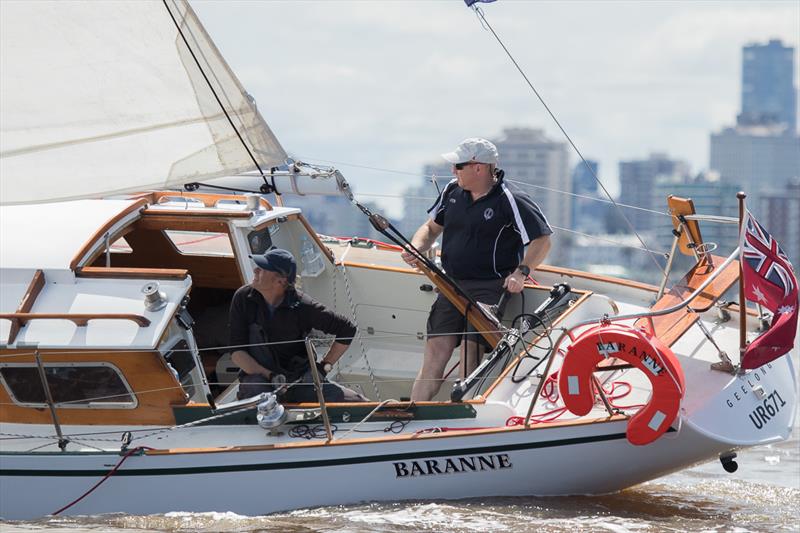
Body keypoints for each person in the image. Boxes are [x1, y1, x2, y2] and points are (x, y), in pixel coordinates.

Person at [402, 138, 552, 401]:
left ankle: (459, 417)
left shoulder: (510, 199)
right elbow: (430, 228)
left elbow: (542, 240)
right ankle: (413, 414)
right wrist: (415, 247)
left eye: (458, 166)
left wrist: (521, 272)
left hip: (488, 289)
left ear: (479, 168)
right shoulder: (452, 191)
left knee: (470, 360)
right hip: (451, 285)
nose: (453, 171)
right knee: (435, 355)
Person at [229, 248, 367, 402]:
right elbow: (236, 351)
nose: (255, 270)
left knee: (359, 402)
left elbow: (346, 328)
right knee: (256, 390)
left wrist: (322, 369)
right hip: (259, 379)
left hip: (300, 379)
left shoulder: (303, 306)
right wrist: (271, 376)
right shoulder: (243, 298)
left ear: (280, 280)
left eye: (262, 268)